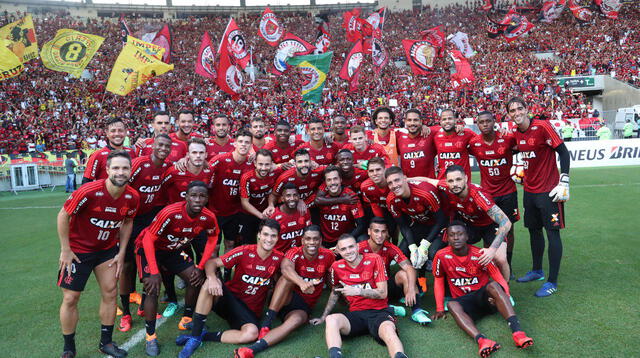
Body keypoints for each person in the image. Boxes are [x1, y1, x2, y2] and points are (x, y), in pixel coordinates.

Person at [57, 150, 140, 358]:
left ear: (131, 170)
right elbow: (63, 215)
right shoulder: (89, 191)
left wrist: (121, 252)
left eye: (125, 168)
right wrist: (65, 249)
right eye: (116, 168)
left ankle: (106, 343)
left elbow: (128, 222)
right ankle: (69, 348)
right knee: (70, 298)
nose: (121, 172)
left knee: (111, 293)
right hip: (78, 251)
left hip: (106, 252)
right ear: (107, 169)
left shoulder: (132, 196)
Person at [176, 219, 284, 358]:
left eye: (273, 236)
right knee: (209, 283)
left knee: (251, 333)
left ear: (278, 238)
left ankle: (203, 336)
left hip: (249, 311)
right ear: (259, 235)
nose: (269, 239)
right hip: (229, 299)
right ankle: (195, 337)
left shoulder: (279, 259)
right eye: (265, 234)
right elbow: (211, 263)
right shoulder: (244, 251)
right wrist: (212, 278)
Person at [136, 181, 220, 356]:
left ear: (207, 198)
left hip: (173, 250)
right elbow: (148, 240)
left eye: (202, 196)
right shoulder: (170, 212)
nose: (198, 199)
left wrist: (201, 265)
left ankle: (187, 319)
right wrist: (154, 271)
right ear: (186, 197)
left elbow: (213, 238)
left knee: (196, 278)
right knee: (152, 288)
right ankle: (150, 336)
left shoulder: (208, 216)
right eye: (194, 195)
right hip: (148, 249)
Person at [432, 222, 533, 357]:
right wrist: (439, 308)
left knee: (494, 286)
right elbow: (438, 280)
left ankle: (518, 333)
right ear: (447, 238)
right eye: (452, 235)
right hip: (465, 303)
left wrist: (505, 294)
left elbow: (497, 275)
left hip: (485, 298)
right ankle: (482, 341)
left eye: (460, 234)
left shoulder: (479, 254)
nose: (456, 238)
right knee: (451, 304)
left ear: (467, 237)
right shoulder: (441, 256)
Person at [234, 225, 335, 358]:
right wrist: (302, 283)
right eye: (308, 239)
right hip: (284, 297)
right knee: (287, 278)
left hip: (303, 306)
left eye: (315, 239)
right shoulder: (294, 252)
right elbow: (286, 268)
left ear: (321, 241)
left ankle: (251, 350)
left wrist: (324, 315)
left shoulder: (328, 256)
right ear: (302, 240)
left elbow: (333, 282)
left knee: (296, 321)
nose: (312, 242)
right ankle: (266, 324)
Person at [508, 97, 571, 297]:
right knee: (534, 231)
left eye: (519, 109)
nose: (516, 113)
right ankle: (537, 270)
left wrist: (564, 180)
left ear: (526, 110)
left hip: (549, 192)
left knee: (552, 233)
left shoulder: (543, 126)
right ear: (509, 115)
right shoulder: (516, 134)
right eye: (512, 111)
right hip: (530, 192)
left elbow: (563, 152)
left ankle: (552, 281)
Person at [310, 234, 408, 358]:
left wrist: (358, 291)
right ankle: (335, 356)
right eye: (344, 249)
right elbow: (335, 291)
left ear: (357, 247)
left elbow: (383, 293)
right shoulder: (336, 266)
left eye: (351, 247)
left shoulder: (374, 259)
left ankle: (400, 356)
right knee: (332, 319)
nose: (348, 251)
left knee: (389, 329)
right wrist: (323, 317)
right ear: (339, 251)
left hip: (379, 312)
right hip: (356, 314)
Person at [119, 134, 172, 332]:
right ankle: (125, 313)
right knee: (126, 265)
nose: (164, 149)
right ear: (152, 145)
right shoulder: (140, 163)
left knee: (148, 262)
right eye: (160, 145)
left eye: (167, 146)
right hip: (128, 220)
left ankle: (143, 307)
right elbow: (121, 186)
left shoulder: (167, 166)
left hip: (149, 219)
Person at [430, 165, 512, 281]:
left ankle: (506, 292)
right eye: (451, 181)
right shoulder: (447, 187)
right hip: (470, 225)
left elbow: (506, 222)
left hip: (490, 226)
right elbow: (428, 181)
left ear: (466, 179)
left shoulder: (477, 195)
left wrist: (492, 250)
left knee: (500, 259)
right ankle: (460, 283)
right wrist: (405, 180)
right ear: (447, 182)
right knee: (452, 247)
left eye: (458, 179)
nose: (455, 184)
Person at [468, 111, 520, 275]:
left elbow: (522, 144)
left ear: (494, 122)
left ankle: (508, 264)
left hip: (508, 193)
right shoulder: (474, 143)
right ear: (477, 124)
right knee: (488, 228)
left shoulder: (508, 139)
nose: (485, 124)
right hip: (487, 195)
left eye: (488, 121)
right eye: (481, 122)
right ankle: (488, 264)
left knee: (509, 229)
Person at [358, 217, 431, 325]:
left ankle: (417, 311)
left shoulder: (390, 247)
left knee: (404, 274)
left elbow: (409, 267)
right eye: (376, 231)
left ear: (387, 233)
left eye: (383, 231)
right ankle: (389, 309)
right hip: (368, 288)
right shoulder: (359, 248)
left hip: (386, 285)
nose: (380, 235)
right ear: (369, 231)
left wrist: (411, 288)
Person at [385, 166, 446, 269]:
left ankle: (444, 274)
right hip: (421, 224)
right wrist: (412, 247)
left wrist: (424, 245)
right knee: (403, 253)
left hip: (440, 225)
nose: (394, 185)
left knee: (433, 252)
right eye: (390, 183)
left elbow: (441, 221)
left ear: (405, 178)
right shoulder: (391, 199)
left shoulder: (425, 193)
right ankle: (415, 281)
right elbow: (403, 226)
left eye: (397, 180)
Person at [208, 129, 254, 255]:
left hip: (235, 213)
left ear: (251, 146)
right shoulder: (220, 159)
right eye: (241, 141)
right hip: (215, 212)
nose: (244, 144)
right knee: (215, 247)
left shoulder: (252, 163)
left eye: (247, 142)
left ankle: (227, 274)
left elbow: (269, 166)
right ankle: (214, 274)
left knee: (230, 244)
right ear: (235, 143)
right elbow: (204, 171)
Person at [315, 165, 366, 246]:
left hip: (345, 241)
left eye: (335, 179)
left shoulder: (351, 196)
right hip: (326, 240)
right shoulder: (321, 197)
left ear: (341, 180)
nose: (332, 182)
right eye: (329, 180)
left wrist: (344, 241)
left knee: (363, 238)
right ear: (325, 183)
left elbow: (361, 225)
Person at [240, 149, 282, 244]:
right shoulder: (247, 177)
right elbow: (244, 203)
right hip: (249, 214)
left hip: (268, 212)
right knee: (248, 245)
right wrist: (261, 216)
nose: (263, 168)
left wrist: (271, 205)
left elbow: (291, 166)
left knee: (270, 243)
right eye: (260, 164)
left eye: (267, 164)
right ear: (255, 163)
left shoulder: (276, 172)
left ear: (272, 164)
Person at [82, 118, 137, 183]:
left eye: (120, 130)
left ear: (125, 132)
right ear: (107, 133)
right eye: (113, 131)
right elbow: (86, 182)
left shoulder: (131, 152)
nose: (117, 134)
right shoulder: (98, 155)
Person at [432, 109, 475, 180]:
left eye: (450, 118)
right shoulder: (435, 135)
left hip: (462, 183)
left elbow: (483, 141)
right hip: (443, 182)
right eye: (444, 119)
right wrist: (424, 127)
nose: (447, 121)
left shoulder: (466, 133)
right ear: (440, 122)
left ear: (455, 120)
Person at [270, 183, 312, 252]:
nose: (292, 198)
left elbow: (309, 234)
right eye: (288, 196)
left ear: (299, 197)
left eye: (295, 195)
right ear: (282, 199)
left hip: (300, 253)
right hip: (280, 255)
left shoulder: (304, 211)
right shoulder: (274, 216)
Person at [396, 109, 436, 178]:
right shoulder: (399, 136)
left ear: (421, 121)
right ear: (405, 121)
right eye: (409, 120)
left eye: (415, 120)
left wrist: (458, 126)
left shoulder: (430, 134)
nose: (412, 123)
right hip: (408, 184)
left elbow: (445, 128)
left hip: (427, 185)